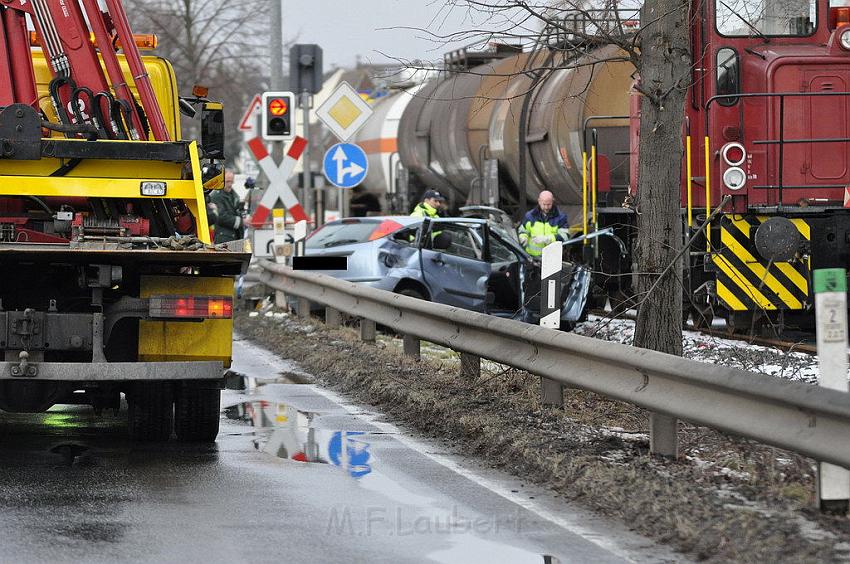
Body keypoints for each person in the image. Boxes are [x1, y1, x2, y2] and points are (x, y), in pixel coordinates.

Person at [518, 190, 569, 257]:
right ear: (539, 201)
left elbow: (565, 236)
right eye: (544, 204)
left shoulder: (561, 217)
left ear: (552, 201)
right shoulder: (530, 216)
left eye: (549, 204)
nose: (546, 207)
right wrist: (523, 237)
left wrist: (548, 239)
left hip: (552, 257)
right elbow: (523, 231)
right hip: (533, 257)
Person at [210, 170, 245, 243]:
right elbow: (221, 216)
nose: (230, 184)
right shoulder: (216, 196)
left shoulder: (234, 195)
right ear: (222, 180)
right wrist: (241, 221)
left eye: (231, 182)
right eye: (227, 181)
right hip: (223, 238)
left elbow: (236, 212)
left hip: (235, 237)